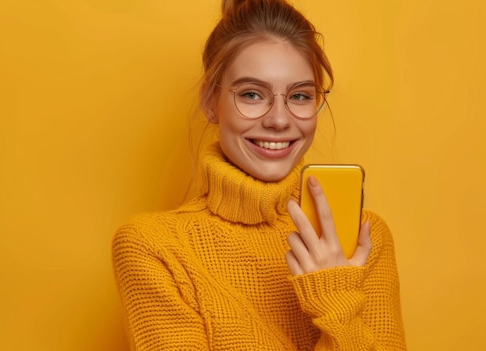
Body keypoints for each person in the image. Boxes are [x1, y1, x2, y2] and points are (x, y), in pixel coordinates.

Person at [112, 0, 406, 349]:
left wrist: (335, 299)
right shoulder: (155, 248)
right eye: (252, 94)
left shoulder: (363, 243)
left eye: (299, 95)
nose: (279, 120)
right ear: (210, 101)